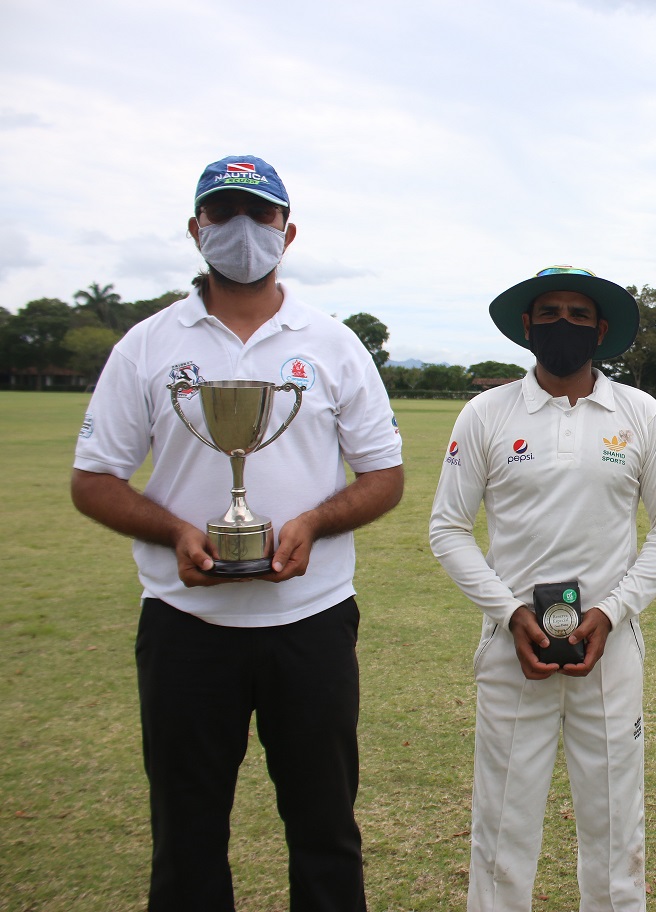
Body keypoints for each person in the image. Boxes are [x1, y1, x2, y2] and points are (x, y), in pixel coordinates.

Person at [70, 154, 405, 912]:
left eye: (261, 215)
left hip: (310, 621)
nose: (244, 230)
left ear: (288, 232)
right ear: (196, 229)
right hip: (187, 626)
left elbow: (384, 475)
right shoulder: (150, 345)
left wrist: (315, 521)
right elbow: (93, 479)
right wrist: (177, 531)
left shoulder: (331, 342)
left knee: (325, 829)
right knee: (186, 835)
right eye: (225, 214)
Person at [429, 266, 656, 912]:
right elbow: (448, 529)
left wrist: (613, 608)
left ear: (602, 331)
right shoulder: (487, 414)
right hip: (512, 650)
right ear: (526, 325)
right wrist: (508, 611)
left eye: (580, 314)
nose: (564, 325)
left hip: (611, 650)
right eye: (550, 312)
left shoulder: (639, 414)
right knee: (502, 832)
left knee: (614, 832)